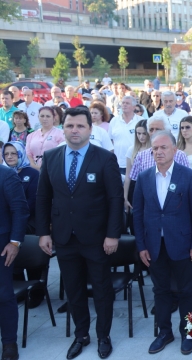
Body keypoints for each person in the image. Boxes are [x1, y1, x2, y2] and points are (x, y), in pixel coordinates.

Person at [36, 106, 123, 360]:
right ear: (62, 128)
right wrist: (43, 233)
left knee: (101, 290)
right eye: (70, 126)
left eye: (80, 126)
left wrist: (113, 234)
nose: (75, 130)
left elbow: (115, 199)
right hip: (64, 238)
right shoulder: (51, 157)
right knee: (73, 291)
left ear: (90, 129)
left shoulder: (104, 158)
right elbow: (43, 198)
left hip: (97, 239)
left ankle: (103, 336)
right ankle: (81, 335)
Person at [132, 130, 192, 356]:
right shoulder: (143, 178)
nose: (159, 152)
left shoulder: (188, 176)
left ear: (174, 149)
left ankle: (187, 332)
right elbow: (138, 215)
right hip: (154, 246)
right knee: (160, 290)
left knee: (185, 291)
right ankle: (164, 332)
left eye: (163, 147)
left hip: (182, 244)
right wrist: (141, 246)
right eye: (155, 148)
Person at [0, 155, 29, 360]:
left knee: (3, 294)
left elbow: (20, 210)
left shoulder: (7, 175)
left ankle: (9, 343)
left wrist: (15, 242)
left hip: (2, 247)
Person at [2, 141, 38, 234]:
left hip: (26, 220)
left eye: (14, 153)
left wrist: (11, 215)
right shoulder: (3, 173)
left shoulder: (33, 174)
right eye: (6, 154)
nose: (9, 156)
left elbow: (33, 200)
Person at [123, 120, 150, 232]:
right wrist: (124, 197)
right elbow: (128, 175)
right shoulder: (132, 149)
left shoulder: (154, 149)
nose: (141, 137)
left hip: (150, 187)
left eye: (144, 133)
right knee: (135, 221)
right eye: (138, 133)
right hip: (135, 187)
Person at [108, 96, 143, 174]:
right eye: (123, 103)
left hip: (136, 162)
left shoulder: (141, 121)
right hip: (118, 163)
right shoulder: (114, 121)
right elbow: (110, 141)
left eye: (127, 103)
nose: (124, 105)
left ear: (134, 107)